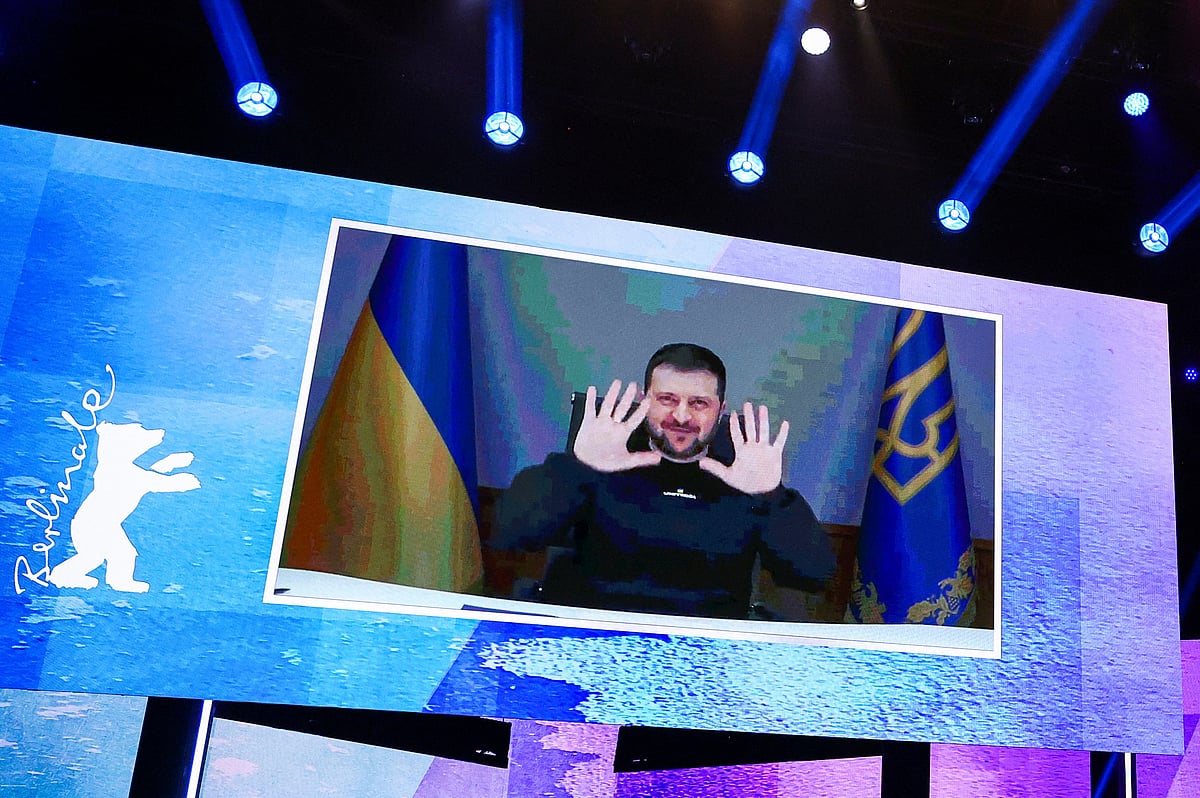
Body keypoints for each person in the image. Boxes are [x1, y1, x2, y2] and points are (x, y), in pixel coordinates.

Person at [491, 343, 835, 620]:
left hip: (702, 655)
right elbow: (511, 533)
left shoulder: (746, 475)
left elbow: (814, 575)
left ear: (720, 410)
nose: (682, 416)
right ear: (645, 400)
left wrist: (770, 497)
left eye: (699, 403)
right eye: (667, 400)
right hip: (591, 633)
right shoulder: (601, 459)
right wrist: (579, 468)